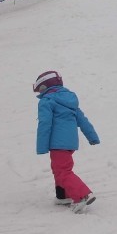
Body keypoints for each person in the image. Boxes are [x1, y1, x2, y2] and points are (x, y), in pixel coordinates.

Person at [34, 70, 99, 214]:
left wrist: (41, 146)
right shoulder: (70, 101)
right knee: (58, 168)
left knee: (63, 171)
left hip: (57, 143)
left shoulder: (47, 101)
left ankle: (82, 195)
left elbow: (45, 123)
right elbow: (83, 120)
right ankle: (63, 196)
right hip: (70, 143)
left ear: (44, 86)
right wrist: (92, 136)